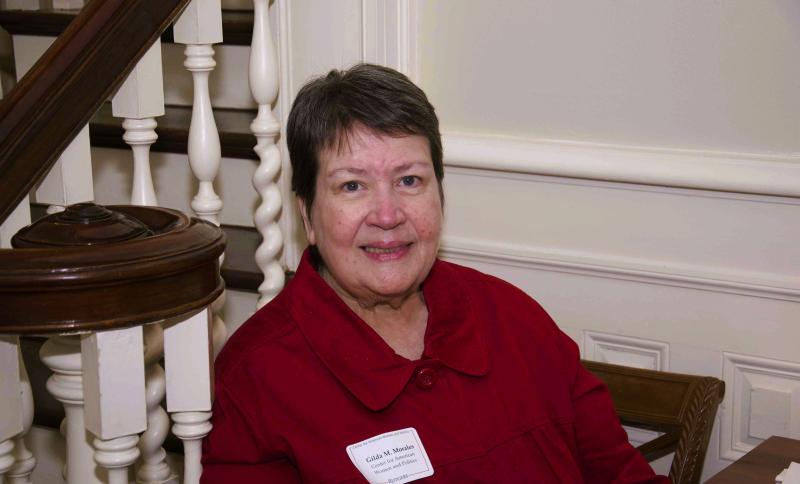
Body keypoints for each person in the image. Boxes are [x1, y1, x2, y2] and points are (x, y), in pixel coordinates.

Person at [201, 64, 668, 483]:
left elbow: (621, 474)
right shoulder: (259, 376)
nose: (387, 214)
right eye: (352, 185)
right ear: (307, 217)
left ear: (439, 195)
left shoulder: (512, 317)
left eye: (409, 181)